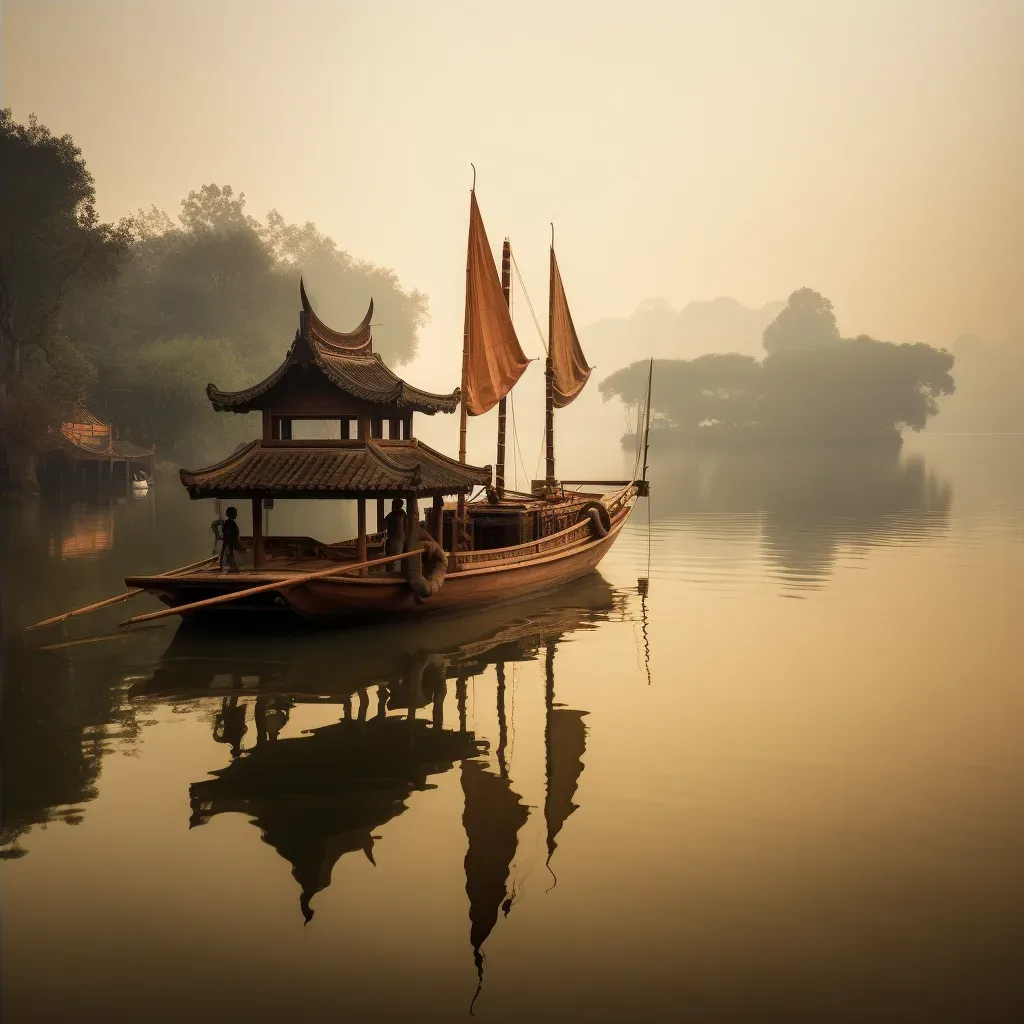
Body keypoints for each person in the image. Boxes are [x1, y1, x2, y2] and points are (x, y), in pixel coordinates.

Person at [383, 498, 407, 572]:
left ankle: (390, 574)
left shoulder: (389, 516)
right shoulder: (403, 515)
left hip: (391, 540)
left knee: (390, 558)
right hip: (399, 539)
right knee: (397, 559)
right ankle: (395, 576)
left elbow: (384, 525)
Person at [219, 505, 244, 572]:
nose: (236, 514)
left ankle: (224, 566)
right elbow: (231, 534)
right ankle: (231, 567)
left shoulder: (227, 523)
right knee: (230, 554)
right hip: (230, 542)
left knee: (226, 553)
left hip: (228, 541)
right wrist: (237, 543)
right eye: (235, 513)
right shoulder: (231, 523)